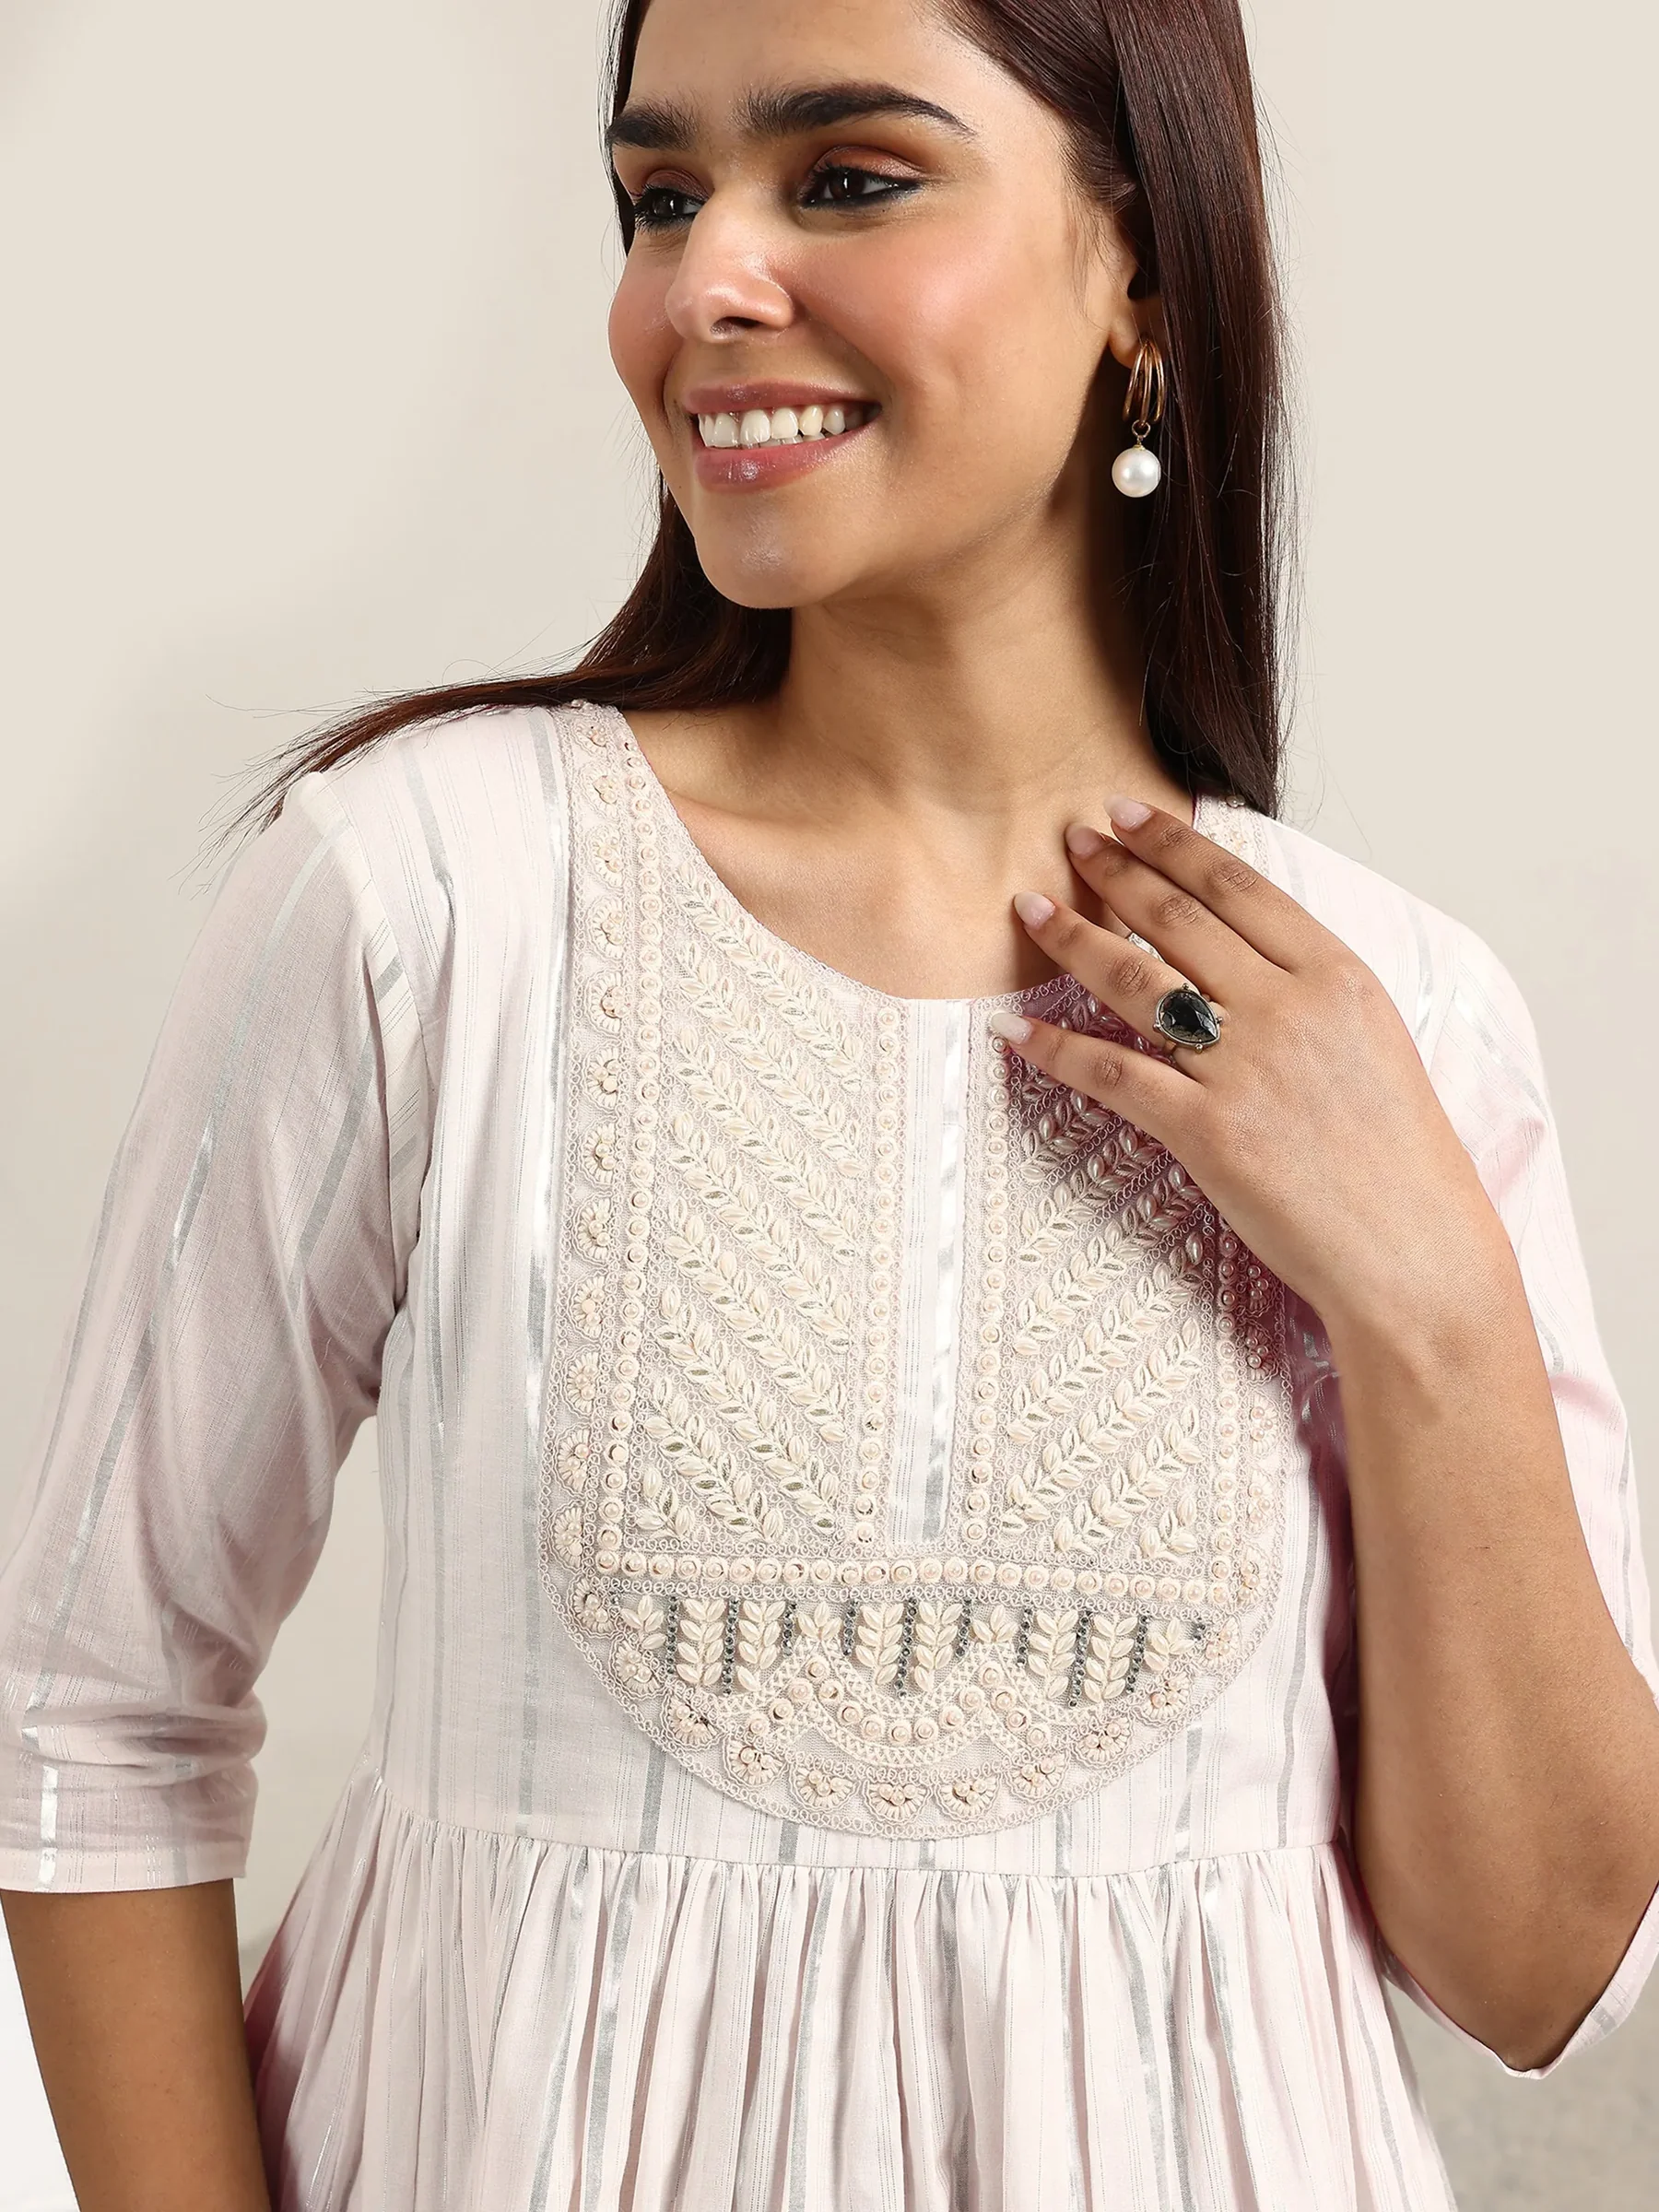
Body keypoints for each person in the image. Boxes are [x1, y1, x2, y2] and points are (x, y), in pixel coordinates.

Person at [4, 0, 1657, 2205]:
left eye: (850, 178)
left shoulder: (1399, 1015)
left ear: (1143, 269)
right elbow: (91, 1725)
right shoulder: (429, 898)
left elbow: (1535, 1974)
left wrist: (1431, 1301)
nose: (704, 281)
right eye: (657, 197)